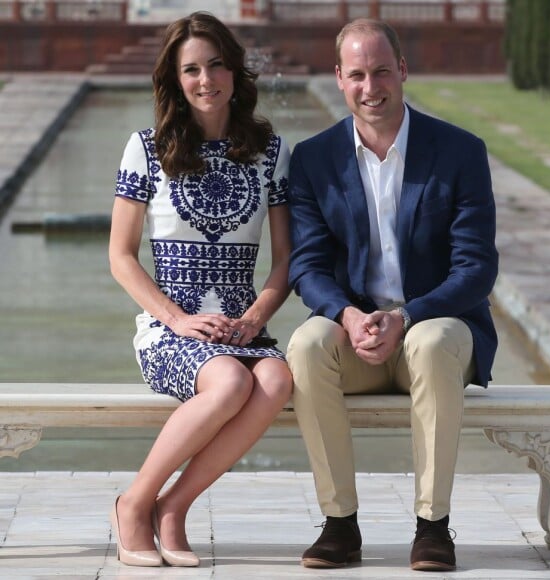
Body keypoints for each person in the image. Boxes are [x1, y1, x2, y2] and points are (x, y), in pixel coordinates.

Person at [286, 18, 498, 572]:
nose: (370, 87)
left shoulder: (459, 151)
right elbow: (306, 268)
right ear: (338, 78)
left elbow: (476, 268)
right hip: (357, 337)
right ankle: (339, 525)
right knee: (306, 344)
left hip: (437, 330)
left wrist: (406, 317)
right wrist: (349, 316)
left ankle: (433, 528)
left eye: (381, 71)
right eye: (356, 74)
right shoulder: (313, 160)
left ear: (402, 70)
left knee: (430, 341)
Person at [108, 11, 293, 567]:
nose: (206, 79)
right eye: (191, 69)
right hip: (171, 330)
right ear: (175, 79)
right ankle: (134, 503)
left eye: (216, 65)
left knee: (278, 378)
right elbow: (121, 257)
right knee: (232, 380)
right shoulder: (146, 148)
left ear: (235, 72)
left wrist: (258, 316)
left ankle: (174, 508)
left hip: (243, 325)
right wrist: (177, 320)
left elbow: (286, 260)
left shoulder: (270, 152)